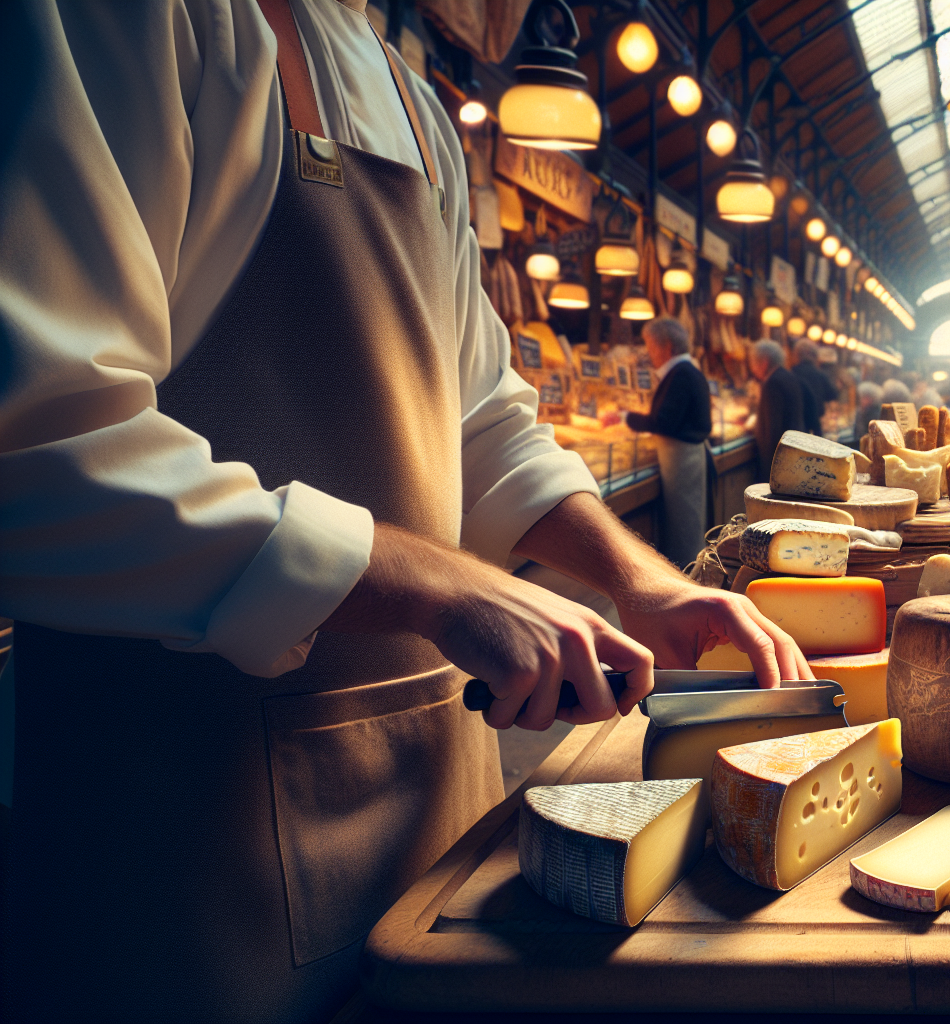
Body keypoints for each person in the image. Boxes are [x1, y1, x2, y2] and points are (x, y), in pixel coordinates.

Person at [0, 2, 809, 1019]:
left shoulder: (417, 104)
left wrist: (638, 576)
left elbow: (481, 413)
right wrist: (435, 578)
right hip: (185, 853)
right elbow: (35, 441)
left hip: (439, 809)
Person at [626, 318, 711, 569]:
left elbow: (664, 422)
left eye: (651, 346)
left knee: (685, 524)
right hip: (684, 458)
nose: (649, 353)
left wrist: (627, 418)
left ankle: (688, 578)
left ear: (668, 346)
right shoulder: (686, 371)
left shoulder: (681, 374)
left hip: (682, 460)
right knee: (686, 521)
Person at [751, 340, 807, 481]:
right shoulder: (789, 376)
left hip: (780, 460)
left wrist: (770, 468)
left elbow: (772, 428)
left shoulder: (772, 382)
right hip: (794, 450)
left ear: (764, 362)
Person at [790, 339, 837, 436]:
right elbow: (832, 395)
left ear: (796, 355)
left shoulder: (791, 374)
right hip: (816, 425)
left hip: (796, 427)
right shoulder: (820, 375)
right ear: (814, 356)